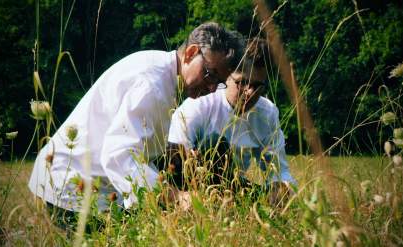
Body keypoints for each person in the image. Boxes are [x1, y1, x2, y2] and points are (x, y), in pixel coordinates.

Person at [28, 22, 244, 218]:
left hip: (87, 185)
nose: (212, 87)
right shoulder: (152, 85)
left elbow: (135, 143)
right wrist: (176, 197)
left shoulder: (162, 71)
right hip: (70, 190)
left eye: (220, 82)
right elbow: (119, 155)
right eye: (210, 74)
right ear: (190, 53)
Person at [166, 38, 296, 205]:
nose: (250, 92)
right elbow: (173, 167)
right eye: (242, 82)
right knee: (215, 144)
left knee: (271, 195)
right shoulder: (198, 104)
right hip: (192, 191)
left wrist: (279, 192)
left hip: (234, 189)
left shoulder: (267, 113)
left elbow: (279, 172)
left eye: (257, 85)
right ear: (226, 76)